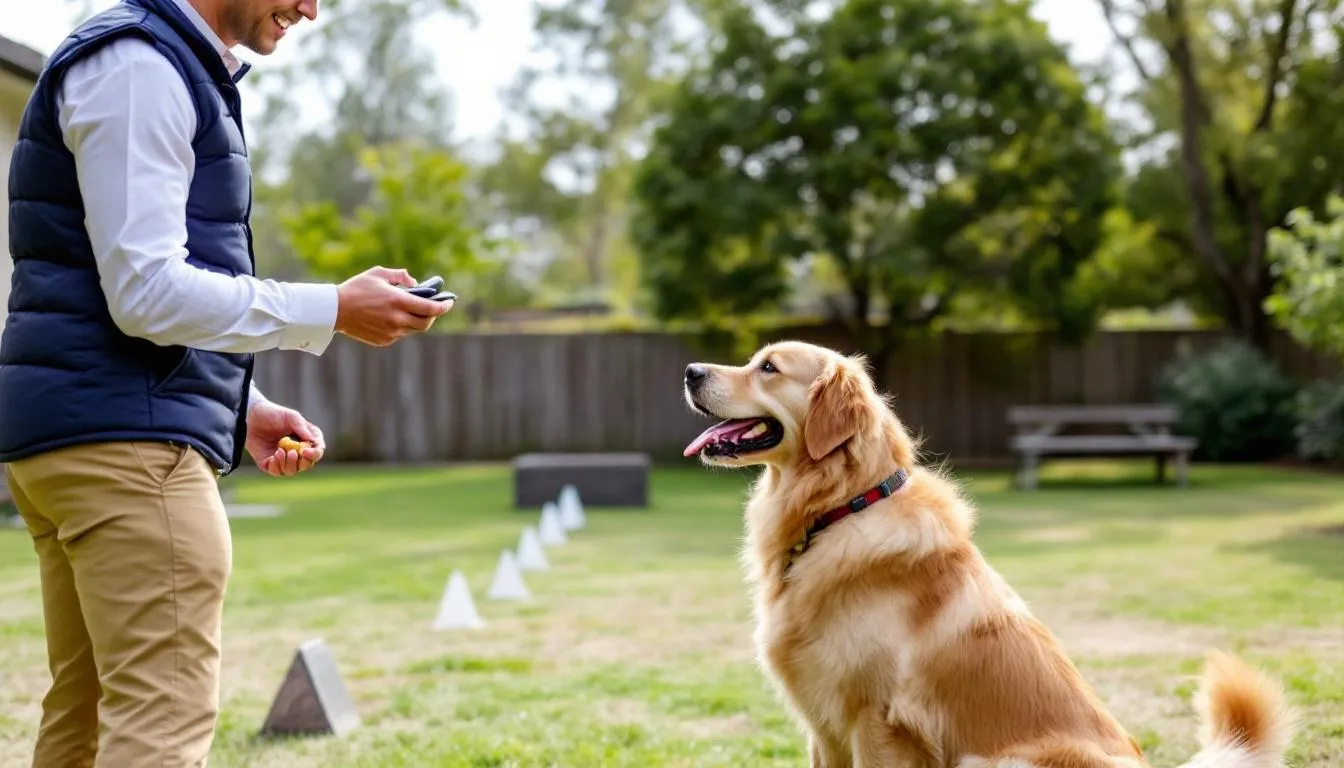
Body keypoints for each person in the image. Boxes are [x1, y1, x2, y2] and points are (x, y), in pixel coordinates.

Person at [0, 0, 449, 764]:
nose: (311, 8)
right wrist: (332, 308)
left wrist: (241, 406)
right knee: (159, 725)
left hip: (85, 431)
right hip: (127, 452)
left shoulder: (153, 62)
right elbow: (146, 293)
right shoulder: (141, 66)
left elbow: (120, 290)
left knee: (91, 717)